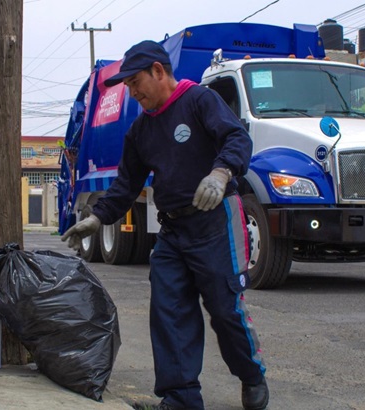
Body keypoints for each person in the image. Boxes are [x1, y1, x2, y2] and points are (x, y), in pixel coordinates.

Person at [61, 40, 268, 410]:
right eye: (127, 85)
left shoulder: (200, 101)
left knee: (224, 309)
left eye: (135, 81)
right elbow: (126, 185)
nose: (132, 90)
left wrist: (221, 173)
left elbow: (237, 137)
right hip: (173, 232)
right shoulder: (140, 131)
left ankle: (252, 375)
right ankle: (181, 398)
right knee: (169, 311)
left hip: (216, 222)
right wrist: (96, 218)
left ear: (159, 71)